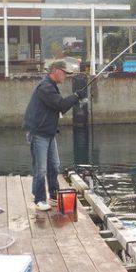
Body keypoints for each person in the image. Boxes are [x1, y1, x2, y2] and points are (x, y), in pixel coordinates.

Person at [24, 60, 86, 211]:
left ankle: (53, 195)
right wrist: (76, 96)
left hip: (49, 133)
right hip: (38, 134)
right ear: (56, 71)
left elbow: (60, 108)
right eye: (65, 73)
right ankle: (39, 199)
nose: (66, 76)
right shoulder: (45, 87)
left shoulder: (51, 86)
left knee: (54, 166)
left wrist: (74, 97)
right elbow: (61, 105)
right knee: (41, 169)